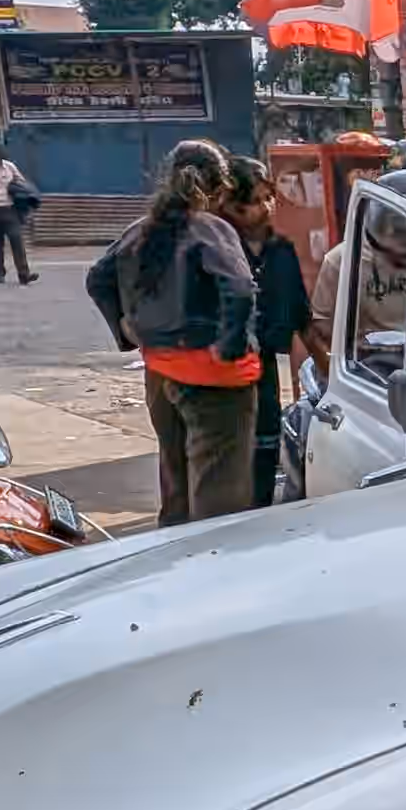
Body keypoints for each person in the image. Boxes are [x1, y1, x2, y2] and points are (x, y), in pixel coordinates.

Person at [87, 139, 259, 525]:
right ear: (220, 187)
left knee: (176, 478)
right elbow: (240, 288)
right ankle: (214, 569)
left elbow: (98, 278)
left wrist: (126, 331)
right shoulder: (210, 229)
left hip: (160, 372)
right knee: (219, 490)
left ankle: (172, 562)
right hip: (213, 377)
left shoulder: (140, 230)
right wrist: (229, 345)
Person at [224, 156, 322, 508]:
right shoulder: (215, 249)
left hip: (261, 369)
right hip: (219, 374)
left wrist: (330, 377)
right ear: (228, 204)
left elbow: (301, 316)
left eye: (269, 198)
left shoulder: (279, 250)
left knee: (266, 451)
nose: (266, 208)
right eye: (255, 200)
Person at [0, 136, 40, 285]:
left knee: (17, 240)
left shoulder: (9, 166)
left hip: (10, 209)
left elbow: (21, 182)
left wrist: (20, 192)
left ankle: (24, 274)